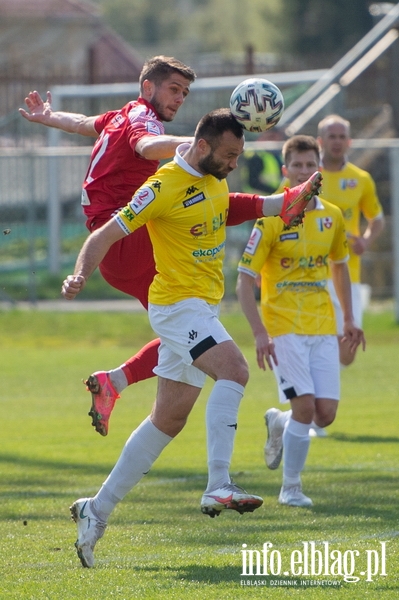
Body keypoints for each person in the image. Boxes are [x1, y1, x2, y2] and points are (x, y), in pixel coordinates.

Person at [61, 110, 323, 567]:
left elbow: (231, 204)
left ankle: (95, 510)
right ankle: (219, 483)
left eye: (237, 156)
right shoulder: (162, 187)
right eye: (227, 156)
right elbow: (105, 233)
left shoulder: (214, 176)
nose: (232, 164)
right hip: (176, 307)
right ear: (201, 147)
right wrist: (80, 273)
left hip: (200, 307)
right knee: (235, 370)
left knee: (168, 419)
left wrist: (284, 200)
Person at [20, 65, 316, 438]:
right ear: (148, 86)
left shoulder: (121, 114)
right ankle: (280, 204)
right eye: (173, 90)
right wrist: (197, 149)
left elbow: (81, 122)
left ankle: (114, 382)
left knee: (184, 329)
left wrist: (48, 117)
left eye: (184, 93)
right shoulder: (144, 118)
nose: (179, 99)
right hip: (125, 239)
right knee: (204, 217)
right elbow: (146, 145)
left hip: (118, 247)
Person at [236, 134, 365, 508]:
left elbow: (340, 269)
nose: (305, 171)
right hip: (283, 325)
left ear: (319, 169)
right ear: (285, 169)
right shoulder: (271, 216)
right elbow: (245, 281)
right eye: (298, 165)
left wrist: (350, 320)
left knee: (325, 416)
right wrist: (260, 332)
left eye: (311, 165)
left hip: (323, 324)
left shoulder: (333, 216)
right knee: (305, 409)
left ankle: (279, 420)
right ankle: (290, 488)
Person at [317, 114, 384, 367]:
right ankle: (309, 405)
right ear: (320, 140)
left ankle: (306, 406)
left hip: (347, 273)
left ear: (350, 142)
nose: (337, 141)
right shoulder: (304, 173)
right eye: (331, 136)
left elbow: (377, 219)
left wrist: (365, 240)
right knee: (311, 342)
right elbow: (280, 211)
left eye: (341, 136)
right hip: (308, 271)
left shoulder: (361, 179)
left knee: (347, 353)